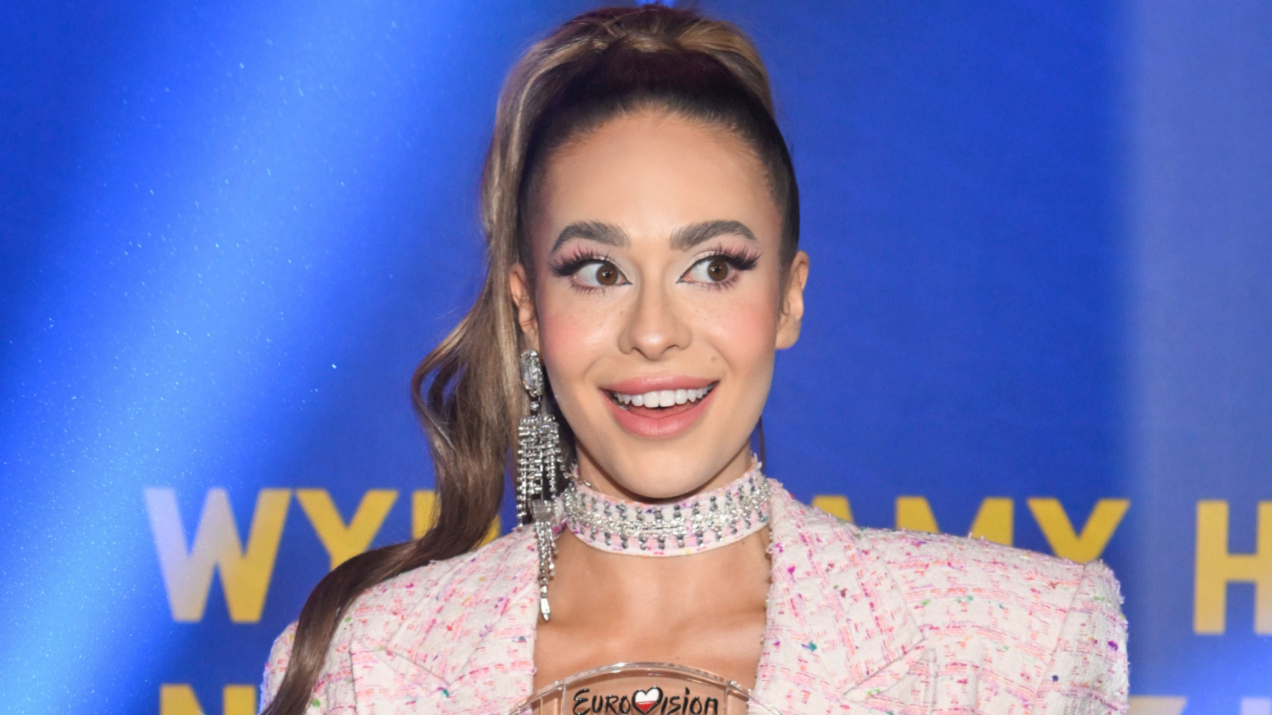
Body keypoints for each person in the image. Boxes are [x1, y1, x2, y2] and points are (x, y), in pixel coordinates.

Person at [258, 5, 1129, 714]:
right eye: (598, 271)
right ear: (527, 308)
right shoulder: (374, 665)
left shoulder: (1013, 651)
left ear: (789, 297)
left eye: (712, 267)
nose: (653, 331)